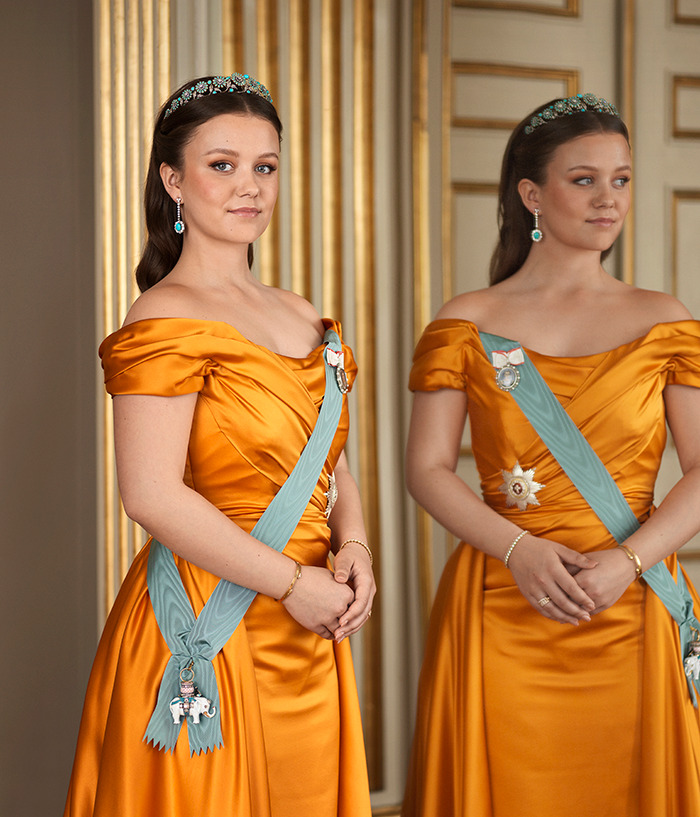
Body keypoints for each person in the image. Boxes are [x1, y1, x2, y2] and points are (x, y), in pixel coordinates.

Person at [64, 73, 375, 817]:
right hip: (210, 622)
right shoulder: (164, 313)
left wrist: (356, 546)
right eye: (222, 164)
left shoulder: (301, 312)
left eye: (265, 166)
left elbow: (331, 462)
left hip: (311, 624)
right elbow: (151, 493)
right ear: (173, 178)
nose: (250, 187)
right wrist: (296, 587)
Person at [402, 93, 700, 817]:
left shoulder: (664, 320)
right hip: (500, 603)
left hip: (631, 609)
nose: (609, 199)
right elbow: (426, 468)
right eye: (584, 179)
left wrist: (626, 562)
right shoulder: (466, 319)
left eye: (622, 179)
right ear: (531, 194)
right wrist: (517, 549)